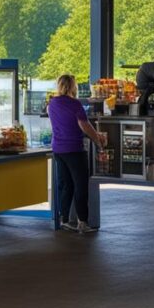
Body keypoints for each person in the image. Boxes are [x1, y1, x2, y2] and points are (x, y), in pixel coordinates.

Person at [47, 74, 106, 234]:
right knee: (80, 186)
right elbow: (84, 125)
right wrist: (97, 139)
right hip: (74, 149)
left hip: (58, 149)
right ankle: (82, 222)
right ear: (73, 86)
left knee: (66, 185)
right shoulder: (75, 104)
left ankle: (64, 219)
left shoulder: (52, 103)